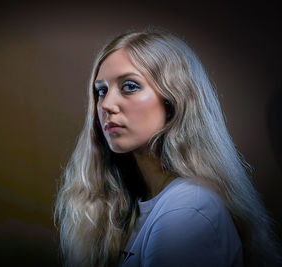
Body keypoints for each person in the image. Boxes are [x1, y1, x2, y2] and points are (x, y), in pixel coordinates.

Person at [54, 28, 281, 266]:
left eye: (129, 86)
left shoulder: (188, 211)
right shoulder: (136, 204)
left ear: (173, 101)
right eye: (101, 90)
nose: (106, 104)